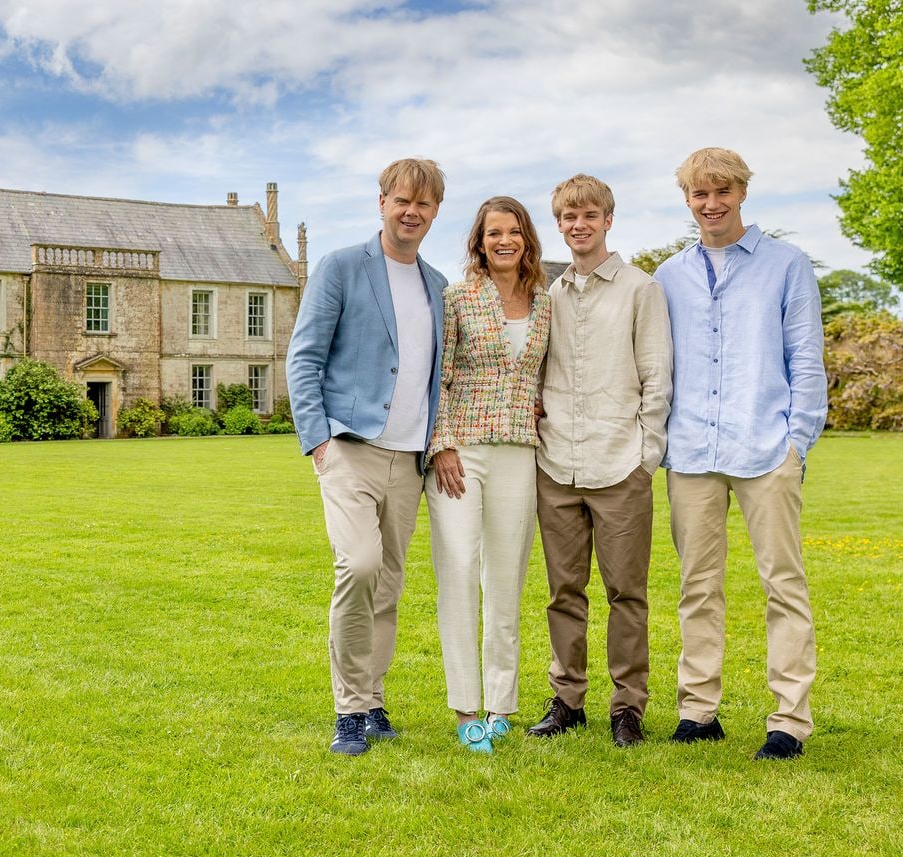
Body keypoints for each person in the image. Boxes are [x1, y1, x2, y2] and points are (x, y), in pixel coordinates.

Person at [654, 147, 827, 760]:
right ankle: (698, 712)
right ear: (687, 199)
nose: (711, 203)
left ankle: (789, 720)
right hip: (693, 452)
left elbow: (806, 359)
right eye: (700, 194)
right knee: (697, 587)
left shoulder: (787, 265)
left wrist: (795, 445)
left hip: (766, 447)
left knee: (783, 584)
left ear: (742, 194)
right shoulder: (668, 277)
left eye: (722, 191)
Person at [286, 157, 448, 756]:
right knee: (356, 567)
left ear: (435, 212)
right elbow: (303, 357)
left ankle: (374, 699)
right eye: (402, 200)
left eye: (424, 204)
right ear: (381, 201)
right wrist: (318, 440)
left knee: (388, 585)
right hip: (349, 448)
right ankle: (349, 710)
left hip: (409, 459)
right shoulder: (340, 268)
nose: (412, 212)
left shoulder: (437, 286)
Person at [528, 175, 672, 748]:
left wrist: (647, 457)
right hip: (557, 463)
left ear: (608, 220)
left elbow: (657, 377)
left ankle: (627, 708)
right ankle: (567, 700)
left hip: (620, 466)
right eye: (568, 217)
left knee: (626, 594)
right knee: (564, 592)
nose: (578, 225)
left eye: (589, 215)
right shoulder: (549, 294)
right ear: (558, 224)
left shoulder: (642, 290)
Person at [425, 196, 551, 753]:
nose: (505, 240)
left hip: (518, 451)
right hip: (461, 452)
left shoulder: (545, 301)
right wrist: (443, 444)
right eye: (494, 232)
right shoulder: (456, 299)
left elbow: (547, 374)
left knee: (506, 578)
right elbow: (440, 377)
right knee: (457, 571)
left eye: (515, 231)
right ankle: (464, 709)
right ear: (479, 240)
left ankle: (502, 704)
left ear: (527, 239)